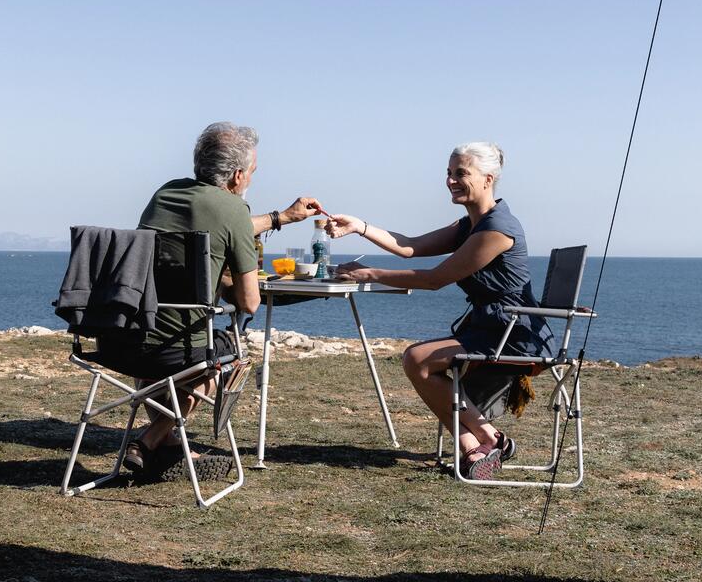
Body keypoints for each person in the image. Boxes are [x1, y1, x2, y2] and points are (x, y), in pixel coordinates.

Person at [324, 141, 547, 480]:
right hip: (490, 328)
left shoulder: (497, 229)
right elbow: (410, 247)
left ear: (488, 179)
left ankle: (487, 439)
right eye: (449, 173)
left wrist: (370, 273)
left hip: (512, 335)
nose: (451, 180)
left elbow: (435, 279)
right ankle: (479, 446)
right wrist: (359, 226)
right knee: (418, 360)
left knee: (417, 359)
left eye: (461, 173)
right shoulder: (471, 224)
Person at [120, 121, 323, 476]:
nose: (253, 180)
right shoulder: (232, 211)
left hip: (128, 339)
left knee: (167, 359)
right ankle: (150, 439)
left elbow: (222, 222)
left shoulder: (165, 194)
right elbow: (249, 303)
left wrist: (283, 218)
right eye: (253, 173)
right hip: (179, 347)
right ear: (238, 176)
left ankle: (168, 444)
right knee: (221, 361)